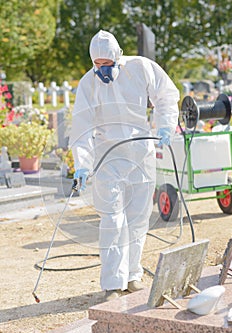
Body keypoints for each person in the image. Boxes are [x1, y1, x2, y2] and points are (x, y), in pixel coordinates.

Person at [69, 30, 179, 300]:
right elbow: (81, 125)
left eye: (108, 64)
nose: (103, 70)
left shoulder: (141, 68)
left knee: (138, 218)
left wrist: (165, 127)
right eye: (98, 65)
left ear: (118, 57)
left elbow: (166, 95)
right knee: (112, 220)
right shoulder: (88, 84)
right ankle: (112, 284)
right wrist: (82, 164)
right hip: (109, 156)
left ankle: (132, 275)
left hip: (141, 151)